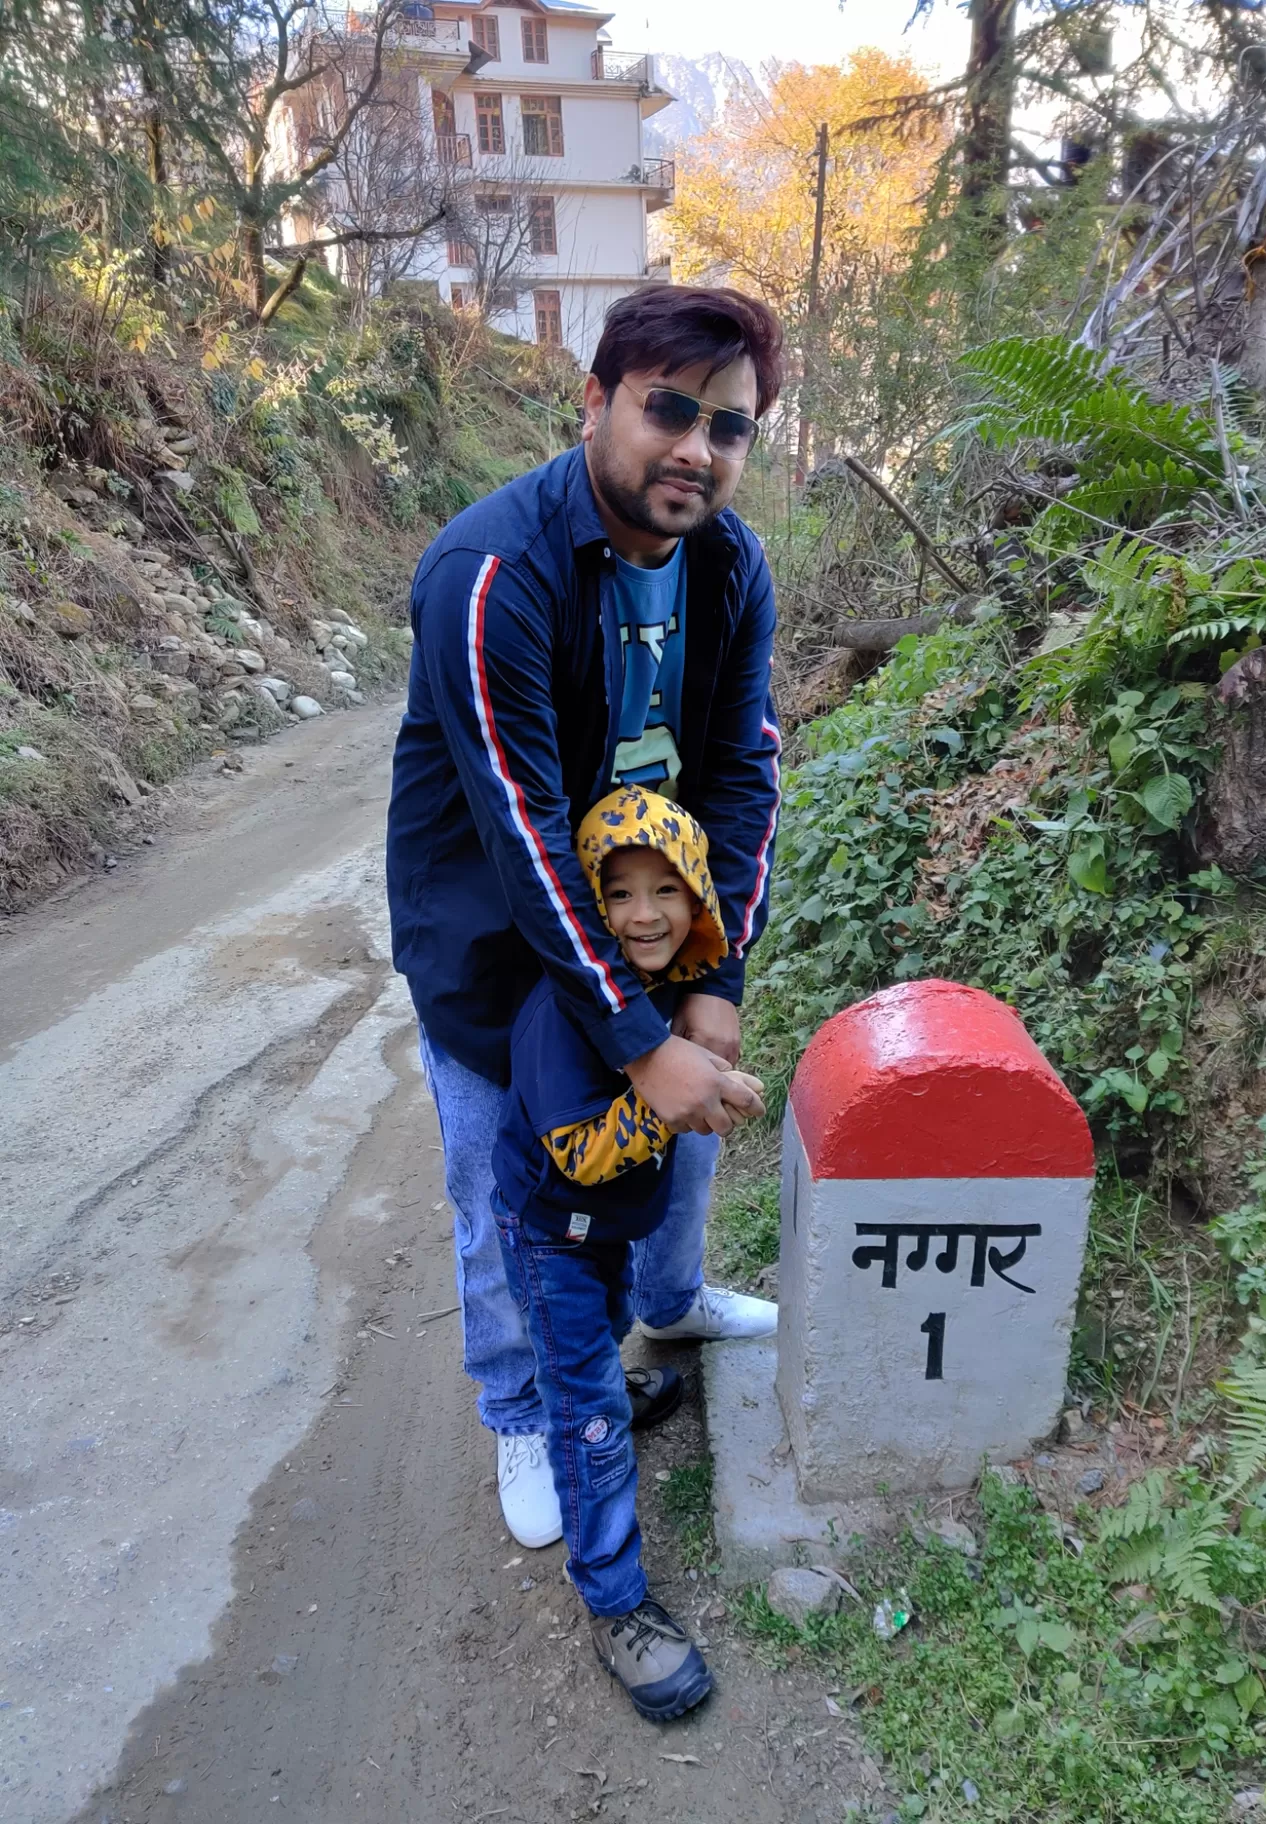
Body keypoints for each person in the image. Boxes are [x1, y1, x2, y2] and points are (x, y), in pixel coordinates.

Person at [387, 285, 785, 1550]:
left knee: (686, 1125)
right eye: (669, 408)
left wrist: (712, 981)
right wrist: (630, 1038)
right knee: (502, 1180)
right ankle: (519, 1409)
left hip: (655, 921)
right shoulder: (487, 572)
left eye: (729, 427)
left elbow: (742, 771)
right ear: (595, 406)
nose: (696, 448)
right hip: (493, 946)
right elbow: (523, 828)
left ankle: (668, 1301)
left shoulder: (730, 568)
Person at [493, 786, 764, 1719]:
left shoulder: (663, 1000)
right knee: (589, 1418)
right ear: (586, 906)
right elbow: (579, 1150)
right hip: (551, 1236)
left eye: (667, 890)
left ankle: (603, 1385)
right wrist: (682, 1096)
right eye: (617, 895)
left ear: (699, 903)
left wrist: (706, 1077)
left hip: (601, 1239)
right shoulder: (563, 1013)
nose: (644, 914)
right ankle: (615, 1603)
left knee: (608, 1325)